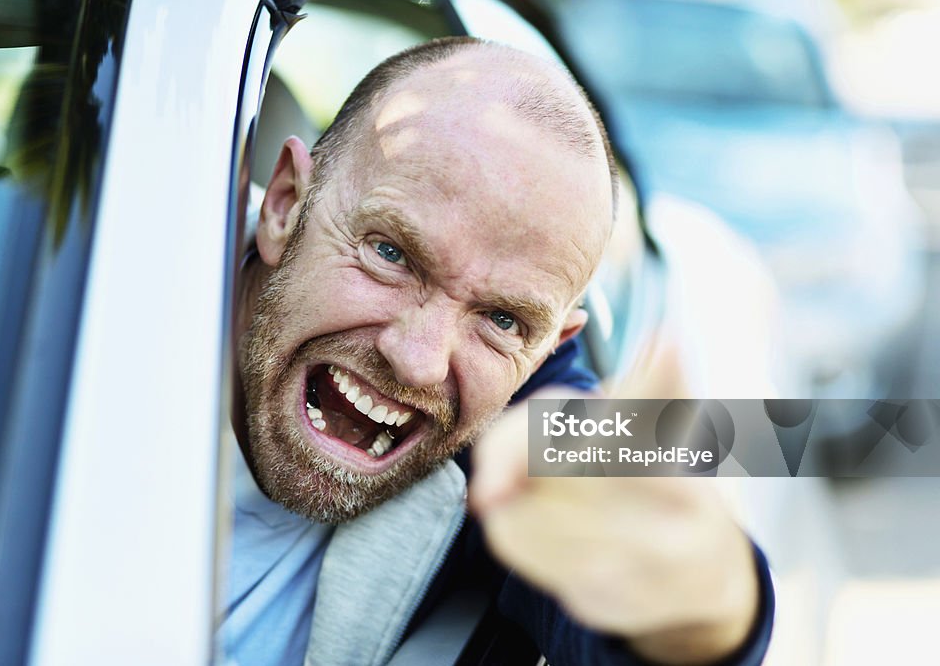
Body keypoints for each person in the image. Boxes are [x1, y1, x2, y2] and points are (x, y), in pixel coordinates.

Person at [222, 37, 773, 665]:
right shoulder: (103, 262)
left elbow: (609, 481)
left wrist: (708, 591)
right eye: (391, 254)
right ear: (285, 205)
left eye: (503, 320)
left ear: (546, 352)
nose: (418, 360)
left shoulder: (524, 418)